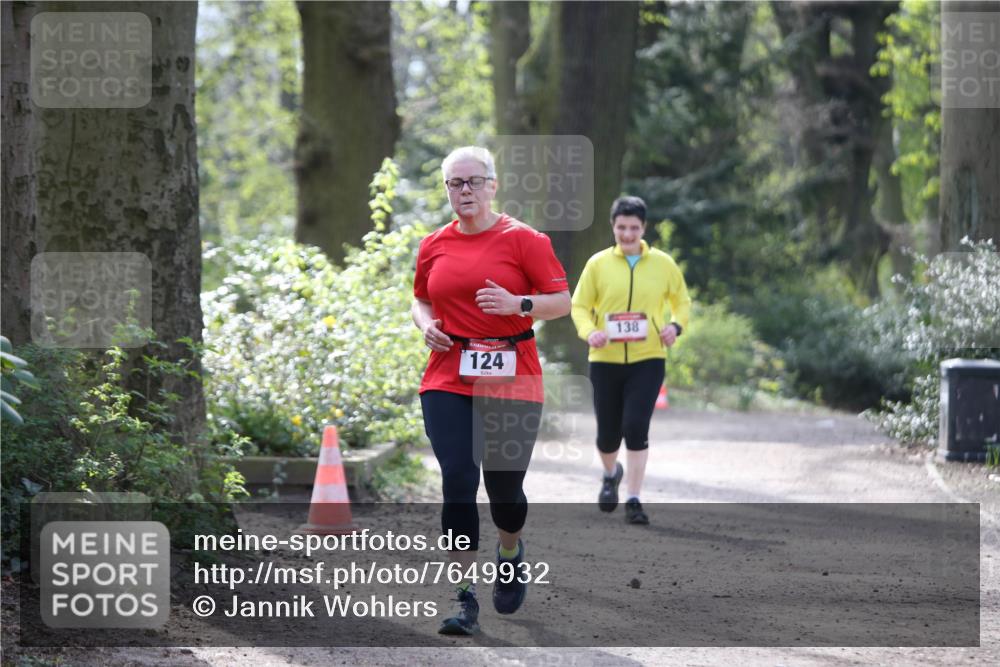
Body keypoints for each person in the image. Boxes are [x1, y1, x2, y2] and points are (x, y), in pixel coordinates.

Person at [411, 146, 571, 635]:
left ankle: (509, 551)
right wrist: (425, 325)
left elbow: (561, 302)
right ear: (447, 190)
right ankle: (464, 598)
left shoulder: (525, 240)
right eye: (455, 184)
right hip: (448, 372)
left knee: (503, 490)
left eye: (473, 181)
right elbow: (419, 297)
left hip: (511, 372)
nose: (465, 191)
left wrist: (517, 302)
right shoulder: (433, 244)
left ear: (492, 185)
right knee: (458, 479)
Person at [571, 195, 691, 525]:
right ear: (613, 226)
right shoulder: (597, 264)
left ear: (644, 228)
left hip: (648, 358)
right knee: (607, 435)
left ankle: (634, 498)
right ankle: (611, 473)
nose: (627, 235)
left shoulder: (663, 264)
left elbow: (682, 301)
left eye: (634, 228)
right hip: (605, 359)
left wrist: (675, 326)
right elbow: (579, 306)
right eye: (621, 227)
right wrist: (589, 332)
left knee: (636, 426)